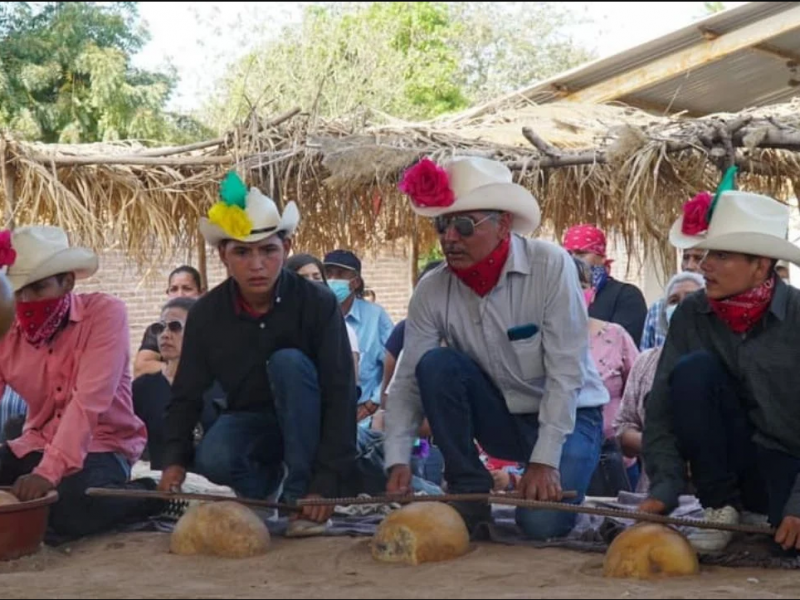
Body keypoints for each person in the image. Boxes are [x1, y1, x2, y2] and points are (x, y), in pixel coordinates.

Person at [385, 157, 608, 540]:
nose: (450, 237)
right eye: (443, 224)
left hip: (570, 418)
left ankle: (543, 480)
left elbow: (565, 372)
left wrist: (544, 460)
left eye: (464, 225)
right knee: (436, 365)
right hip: (501, 417)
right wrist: (397, 458)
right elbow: (407, 379)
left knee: (541, 526)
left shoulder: (550, 265)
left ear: (503, 224)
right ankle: (468, 491)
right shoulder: (432, 289)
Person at [159, 173, 357, 537]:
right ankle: (264, 491)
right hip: (252, 421)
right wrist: (173, 460)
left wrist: (324, 483)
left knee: (288, 363)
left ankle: (300, 496)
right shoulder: (206, 314)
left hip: (311, 420)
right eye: (242, 252)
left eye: (268, 250)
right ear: (223, 255)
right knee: (214, 456)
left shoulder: (318, 303)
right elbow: (186, 393)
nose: (256, 264)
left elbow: (341, 391)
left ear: (287, 247)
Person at [640, 188, 800, 554]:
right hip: (723, 470)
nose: (705, 265)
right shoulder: (691, 315)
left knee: (785, 544)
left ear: (760, 266)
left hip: (787, 468)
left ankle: (763, 513)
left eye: (721, 255)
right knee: (694, 370)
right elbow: (662, 409)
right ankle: (720, 509)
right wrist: (664, 488)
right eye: (707, 253)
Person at [0, 226, 155, 540]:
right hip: (34, 442)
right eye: (18, 292)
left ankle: (145, 496)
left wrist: (47, 473)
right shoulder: (6, 325)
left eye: (38, 288)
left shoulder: (106, 314)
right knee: (44, 508)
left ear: (67, 281)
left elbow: (89, 402)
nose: (26, 301)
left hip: (103, 446)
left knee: (66, 513)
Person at [614, 272, 705, 493]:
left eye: (691, 298)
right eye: (673, 301)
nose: (681, 306)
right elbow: (623, 428)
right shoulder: (646, 362)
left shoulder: (731, 359)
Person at [572, 257, 640, 497]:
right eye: (564, 284)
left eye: (579, 285)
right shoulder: (539, 339)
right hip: (558, 460)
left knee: (619, 524)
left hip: (614, 458)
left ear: (592, 291)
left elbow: (639, 392)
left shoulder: (615, 335)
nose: (571, 292)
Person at [132, 297, 225, 469]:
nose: (165, 334)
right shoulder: (142, 389)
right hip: (163, 486)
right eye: (159, 328)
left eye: (175, 327)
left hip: (216, 490)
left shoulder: (223, 385)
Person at [323, 250, 393, 424]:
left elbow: (396, 364)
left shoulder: (375, 317)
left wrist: (372, 404)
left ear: (355, 282)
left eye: (339, 274)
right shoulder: (317, 315)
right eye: (328, 273)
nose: (332, 279)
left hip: (366, 416)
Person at [563, 225, 648, 346]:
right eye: (567, 254)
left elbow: (623, 348)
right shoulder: (558, 296)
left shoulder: (626, 296)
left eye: (581, 254)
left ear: (601, 257)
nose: (572, 260)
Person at [286, 253, 361, 381]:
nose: (312, 283)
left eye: (317, 277)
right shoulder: (277, 323)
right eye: (303, 277)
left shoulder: (341, 328)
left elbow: (347, 383)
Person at [134, 266, 204, 379]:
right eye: (174, 289)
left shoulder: (215, 325)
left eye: (187, 288)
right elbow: (141, 367)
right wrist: (173, 369)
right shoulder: (159, 329)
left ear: (201, 292)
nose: (179, 295)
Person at [640, 247, 706, 350]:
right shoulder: (657, 310)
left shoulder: (723, 309)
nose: (689, 266)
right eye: (686, 258)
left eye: (698, 258)